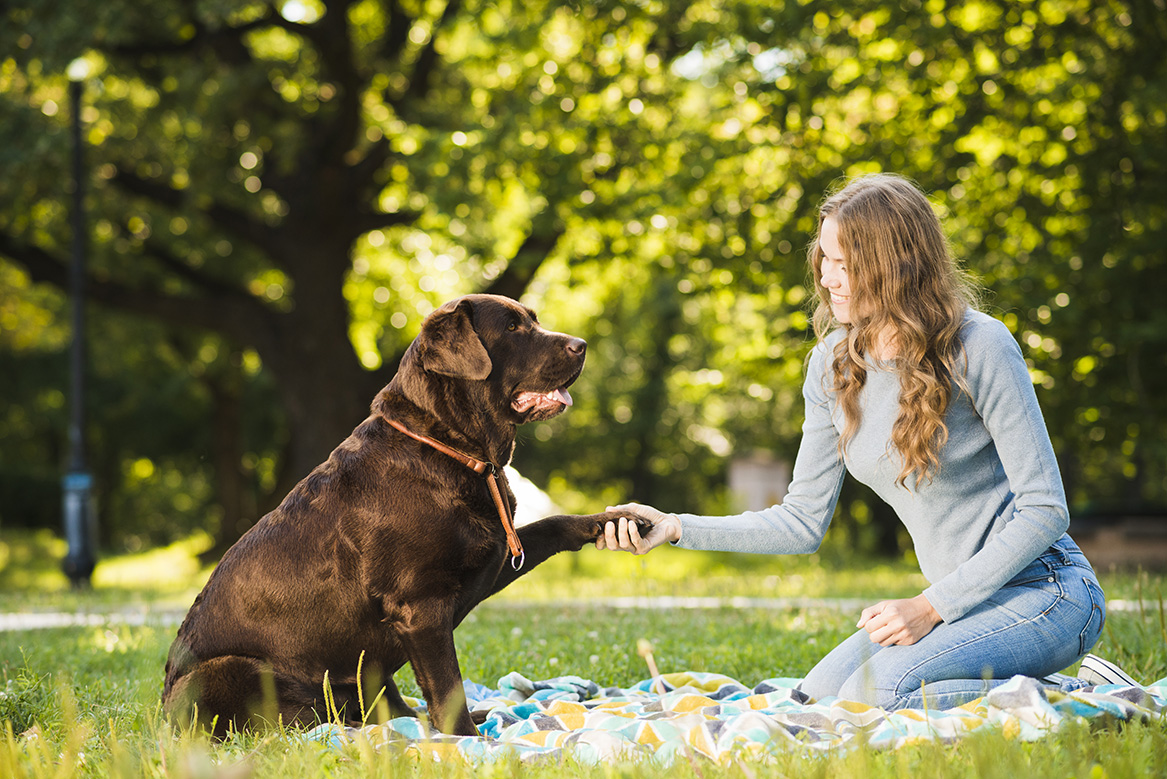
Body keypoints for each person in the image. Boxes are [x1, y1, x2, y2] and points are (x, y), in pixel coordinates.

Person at [597, 173, 1142, 709]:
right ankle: (1051, 689)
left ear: (896, 264)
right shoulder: (833, 364)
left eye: (846, 263)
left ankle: (1086, 693)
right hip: (962, 607)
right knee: (814, 701)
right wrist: (674, 527)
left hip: (1047, 593)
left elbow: (1045, 510)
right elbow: (800, 523)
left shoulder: (980, 345)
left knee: (879, 691)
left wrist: (930, 607)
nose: (829, 279)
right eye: (825, 260)